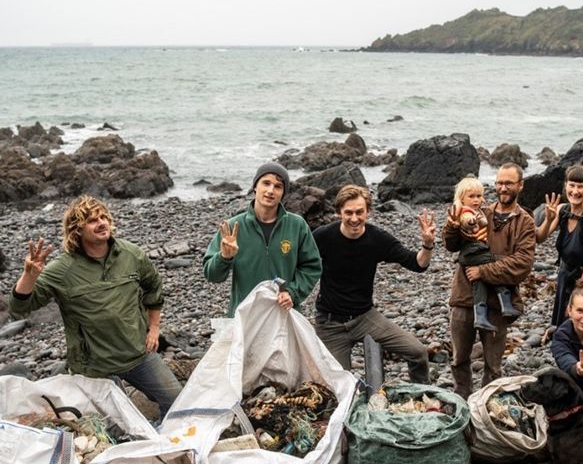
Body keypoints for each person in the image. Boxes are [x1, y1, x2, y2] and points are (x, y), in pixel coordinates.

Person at [8, 196, 182, 418]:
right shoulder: (61, 270)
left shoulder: (131, 254)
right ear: (77, 230)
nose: (101, 223)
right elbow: (20, 307)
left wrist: (154, 327)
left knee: (178, 404)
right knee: (116, 427)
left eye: (103, 217)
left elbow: (153, 286)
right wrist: (29, 276)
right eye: (91, 220)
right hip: (94, 367)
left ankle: (164, 443)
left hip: (137, 354)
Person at [312, 184, 436, 383]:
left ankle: (422, 395)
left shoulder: (377, 239)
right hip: (330, 324)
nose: (354, 218)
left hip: (365, 317)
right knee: (337, 386)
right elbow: (296, 264)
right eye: (349, 212)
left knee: (418, 352)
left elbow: (418, 263)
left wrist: (427, 243)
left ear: (368, 212)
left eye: (360, 212)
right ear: (338, 213)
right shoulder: (322, 236)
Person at [443, 163, 536, 398]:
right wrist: (452, 225)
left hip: (497, 305)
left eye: (508, 183)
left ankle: (487, 406)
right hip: (464, 297)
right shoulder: (478, 210)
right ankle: (462, 402)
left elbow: (522, 264)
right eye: (499, 182)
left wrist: (483, 271)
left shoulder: (525, 222)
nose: (502, 188)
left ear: (520, 185)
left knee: (493, 365)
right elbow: (452, 245)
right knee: (459, 359)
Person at [203, 162, 322, 317]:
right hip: (245, 316)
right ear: (255, 187)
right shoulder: (233, 228)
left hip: (284, 314)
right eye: (266, 183)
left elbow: (312, 267)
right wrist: (224, 257)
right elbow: (212, 275)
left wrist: (292, 292)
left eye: (278, 186)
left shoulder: (296, 225)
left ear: (283, 193)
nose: (270, 191)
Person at [536, 164, 583, 326]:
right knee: (562, 331)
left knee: (580, 328)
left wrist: (577, 298)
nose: (575, 191)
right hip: (565, 277)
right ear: (565, 186)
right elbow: (540, 237)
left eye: (581, 186)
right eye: (571, 185)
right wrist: (548, 218)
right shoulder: (562, 210)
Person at [452, 176, 520, 332]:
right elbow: (467, 221)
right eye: (472, 196)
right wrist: (471, 222)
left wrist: (481, 218)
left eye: (479, 196)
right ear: (462, 198)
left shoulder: (478, 211)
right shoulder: (464, 211)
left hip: (473, 253)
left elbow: (483, 223)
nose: (476, 200)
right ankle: (505, 303)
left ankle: (480, 317)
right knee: (495, 263)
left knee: (479, 283)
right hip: (473, 250)